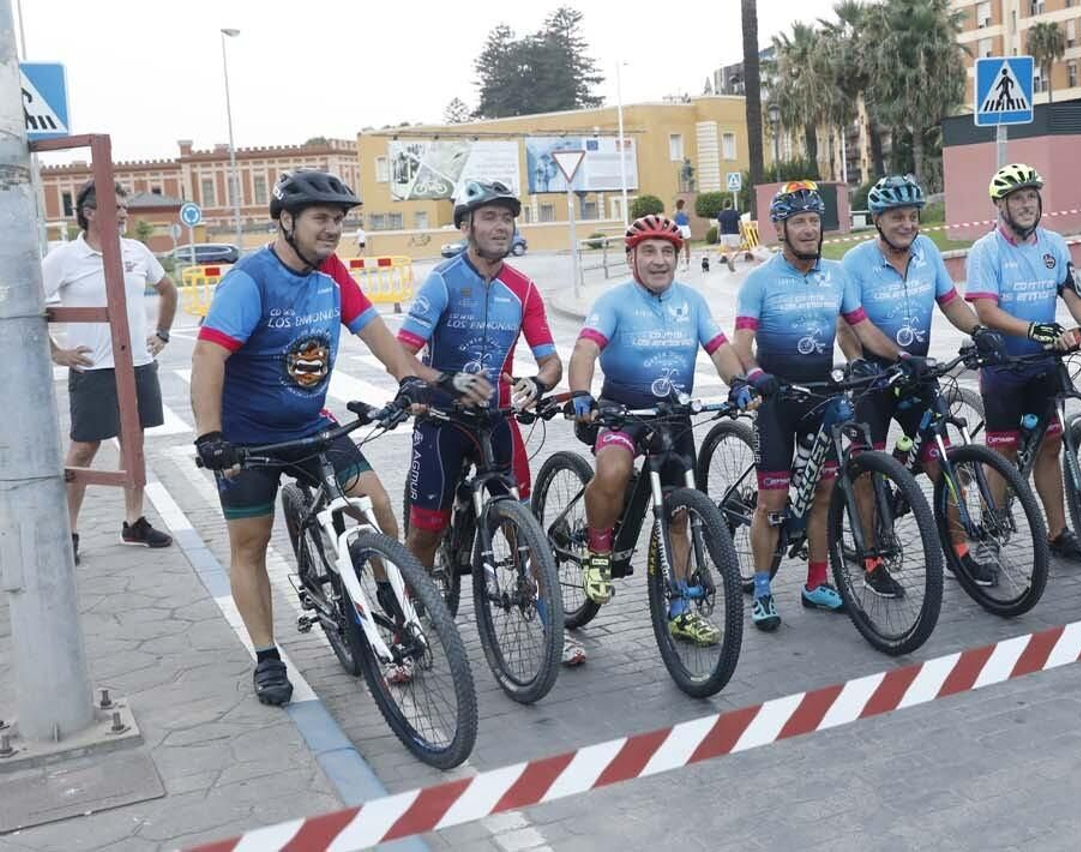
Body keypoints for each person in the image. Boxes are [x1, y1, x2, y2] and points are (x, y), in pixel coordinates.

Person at [191, 169, 466, 706]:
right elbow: (208, 356)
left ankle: (392, 601)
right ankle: (267, 656)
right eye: (321, 218)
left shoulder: (333, 273)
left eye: (339, 219)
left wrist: (407, 378)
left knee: (375, 502)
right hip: (247, 440)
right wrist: (210, 436)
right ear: (286, 221)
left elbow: (374, 331)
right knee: (250, 545)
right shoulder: (251, 280)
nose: (333, 229)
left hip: (311, 424)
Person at [395, 180, 584, 667]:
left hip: (497, 418)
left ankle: (550, 621)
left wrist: (537, 383)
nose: (501, 227)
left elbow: (550, 362)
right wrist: (444, 381)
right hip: (442, 420)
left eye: (507, 218)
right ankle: (406, 631)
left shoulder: (523, 289)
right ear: (466, 226)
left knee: (524, 526)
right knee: (425, 532)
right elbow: (402, 353)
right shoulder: (442, 281)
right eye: (489, 218)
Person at [567, 214, 758, 646]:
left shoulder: (691, 302)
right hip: (622, 413)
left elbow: (719, 350)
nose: (658, 260)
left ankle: (680, 610)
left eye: (667, 251)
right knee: (613, 472)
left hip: (673, 416)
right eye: (648, 251)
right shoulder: (614, 302)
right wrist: (580, 393)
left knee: (679, 515)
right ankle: (598, 551)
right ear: (631, 258)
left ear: (678, 256)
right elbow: (585, 349)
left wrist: (738, 383)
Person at [733, 180, 906, 631]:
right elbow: (741, 345)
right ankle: (764, 588)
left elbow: (862, 329)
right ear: (780, 229)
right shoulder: (760, 280)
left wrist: (902, 359)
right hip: (777, 399)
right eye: (799, 222)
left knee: (825, 492)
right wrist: (754, 375)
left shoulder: (836, 274)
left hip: (820, 395)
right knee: (772, 501)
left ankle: (816, 583)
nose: (809, 229)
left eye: (814, 220)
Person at [838, 175, 1008, 592]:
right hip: (873, 380)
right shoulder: (855, 263)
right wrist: (858, 363)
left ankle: (959, 553)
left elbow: (950, 302)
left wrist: (979, 330)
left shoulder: (927, 250)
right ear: (877, 220)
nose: (907, 224)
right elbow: (847, 325)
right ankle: (872, 560)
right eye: (897, 216)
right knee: (866, 472)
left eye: (913, 216)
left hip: (917, 375)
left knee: (944, 464)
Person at [964, 163, 1081, 564]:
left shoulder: (1054, 244)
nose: (1026, 204)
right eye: (1017, 198)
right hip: (1003, 366)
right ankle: (991, 531)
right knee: (1003, 452)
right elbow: (986, 311)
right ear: (1000, 205)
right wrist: (1035, 330)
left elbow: (1072, 292)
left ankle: (1058, 533)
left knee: (1050, 446)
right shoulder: (986, 250)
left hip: (1044, 363)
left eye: (1031, 197)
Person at [43, 180, 179, 563]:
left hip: (138, 365)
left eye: (124, 206)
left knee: (133, 445)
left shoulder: (136, 251)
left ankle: (133, 523)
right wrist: (56, 353)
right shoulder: (65, 258)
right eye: (116, 206)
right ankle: (67, 533)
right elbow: (27, 306)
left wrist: (162, 333)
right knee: (84, 449)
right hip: (94, 370)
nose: (124, 213)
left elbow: (169, 290)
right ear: (89, 213)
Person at [717, 198, 741, 270]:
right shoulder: (735, 213)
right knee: (737, 250)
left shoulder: (721, 214)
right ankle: (731, 260)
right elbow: (740, 224)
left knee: (729, 251)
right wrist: (743, 234)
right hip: (734, 233)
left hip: (723, 235)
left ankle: (732, 267)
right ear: (731, 204)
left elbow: (719, 227)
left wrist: (718, 237)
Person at [672, 199, 693, 270]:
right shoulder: (684, 212)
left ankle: (685, 264)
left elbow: (674, 221)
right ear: (682, 205)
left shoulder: (676, 212)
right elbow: (688, 220)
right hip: (683, 228)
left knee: (683, 247)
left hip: (681, 228)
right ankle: (686, 264)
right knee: (685, 247)